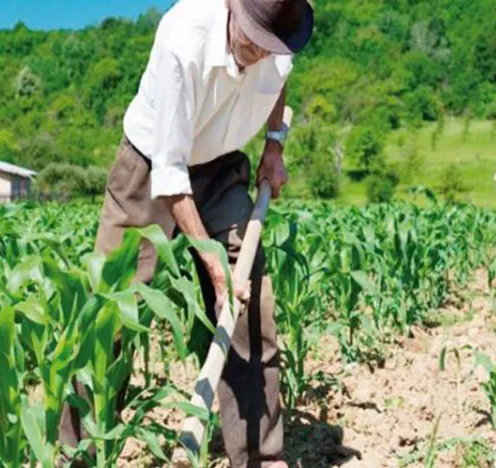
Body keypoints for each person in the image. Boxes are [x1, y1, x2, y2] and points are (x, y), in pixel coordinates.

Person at [59, 0, 314, 466]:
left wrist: (274, 145)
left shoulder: (282, 32)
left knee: (250, 304)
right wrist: (215, 269)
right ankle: (78, 452)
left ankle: (260, 455)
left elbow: (279, 79)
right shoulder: (183, 38)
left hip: (222, 162)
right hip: (152, 164)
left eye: (269, 45)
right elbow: (170, 175)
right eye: (251, 40)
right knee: (112, 309)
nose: (259, 53)